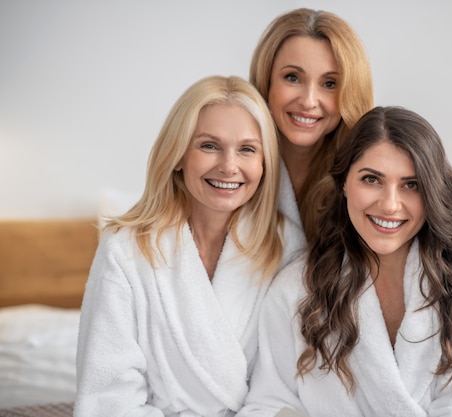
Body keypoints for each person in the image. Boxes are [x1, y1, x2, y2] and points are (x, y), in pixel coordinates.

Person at [238, 106, 452, 416]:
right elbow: (270, 404)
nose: (389, 204)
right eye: (372, 179)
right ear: (344, 183)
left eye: (411, 185)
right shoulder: (296, 289)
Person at [74, 75, 305, 417]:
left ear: (264, 164)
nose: (229, 166)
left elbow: (284, 391)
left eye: (247, 149)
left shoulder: (286, 247)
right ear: (178, 154)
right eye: (209, 145)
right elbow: (108, 398)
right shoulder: (125, 250)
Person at [249, 8, 374, 244]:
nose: (308, 101)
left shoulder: (366, 181)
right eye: (293, 78)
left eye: (329, 83)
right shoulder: (231, 170)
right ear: (266, 81)